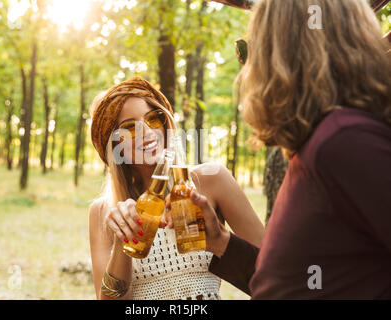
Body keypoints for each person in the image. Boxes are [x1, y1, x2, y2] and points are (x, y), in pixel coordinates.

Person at [179, 0, 391, 299]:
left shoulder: (343, 141)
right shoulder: (324, 142)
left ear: (286, 54)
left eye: (253, 47)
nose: (247, 67)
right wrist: (220, 242)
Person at [88, 77, 265, 300]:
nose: (146, 132)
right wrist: (123, 241)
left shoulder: (211, 181)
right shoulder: (103, 212)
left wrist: (220, 240)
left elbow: (274, 275)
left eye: (153, 118)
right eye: (130, 128)